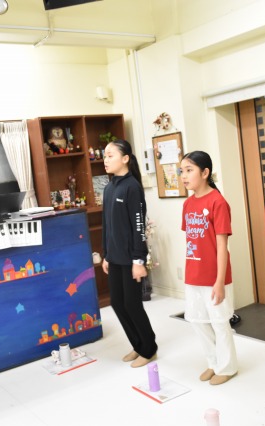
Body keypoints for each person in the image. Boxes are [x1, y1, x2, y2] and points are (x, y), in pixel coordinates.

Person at [180, 151, 238, 386]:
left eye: (189, 170)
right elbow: (192, 240)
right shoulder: (187, 204)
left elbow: (222, 245)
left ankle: (228, 367)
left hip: (215, 276)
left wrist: (219, 281)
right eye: (182, 171)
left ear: (205, 173)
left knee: (219, 322)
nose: (184, 176)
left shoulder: (218, 202)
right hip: (193, 274)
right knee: (197, 320)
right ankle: (213, 362)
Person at [101, 139, 158, 368]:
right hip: (114, 257)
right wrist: (106, 254)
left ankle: (149, 348)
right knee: (117, 303)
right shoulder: (109, 188)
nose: (105, 160)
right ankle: (138, 344)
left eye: (110, 155)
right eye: (104, 156)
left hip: (131, 259)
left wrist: (138, 259)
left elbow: (138, 226)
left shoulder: (132, 187)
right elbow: (107, 225)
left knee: (132, 305)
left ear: (125, 159)